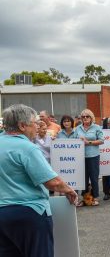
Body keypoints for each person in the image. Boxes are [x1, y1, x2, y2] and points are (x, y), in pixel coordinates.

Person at [0, 104, 79, 257]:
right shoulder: (27, 147)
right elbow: (52, 182)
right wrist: (69, 189)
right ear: (22, 126)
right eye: (34, 123)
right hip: (29, 213)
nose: (37, 127)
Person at [74, 108, 104, 207]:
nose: (85, 118)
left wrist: (88, 142)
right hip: (81, 157)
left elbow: (101, 140)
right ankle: (84, 198)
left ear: (91, 118)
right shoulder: (77, 128)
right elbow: (73, 140)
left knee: (94, 178)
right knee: (83, 178)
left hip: (93, 156)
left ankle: (95, 197)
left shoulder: (96, 127)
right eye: (83, 117)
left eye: (87, 116)